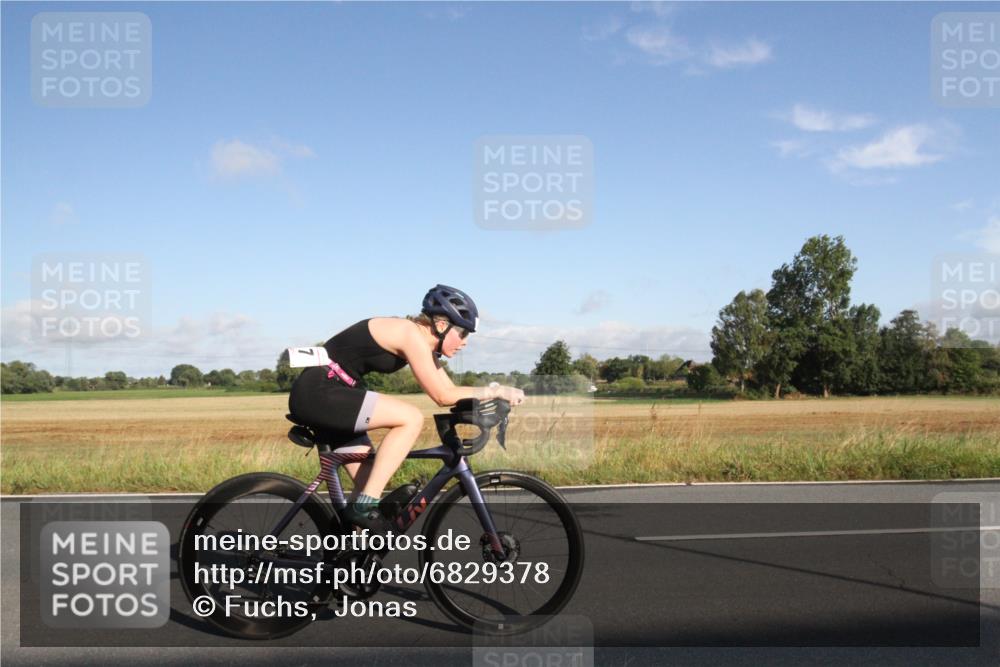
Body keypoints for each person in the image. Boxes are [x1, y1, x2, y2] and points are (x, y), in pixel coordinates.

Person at [288, 284, 525, 531]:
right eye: (463, 333)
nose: (465, 342)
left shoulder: (423, 345)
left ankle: (347, 556)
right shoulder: (409, 334)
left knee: (370, 478)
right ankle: (364, 506)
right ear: (442, 325)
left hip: (335, 393)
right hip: (319, 391)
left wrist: (492, 401)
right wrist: (497, 390)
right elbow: (442, 396)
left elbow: (452, 392)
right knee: (410, 418)